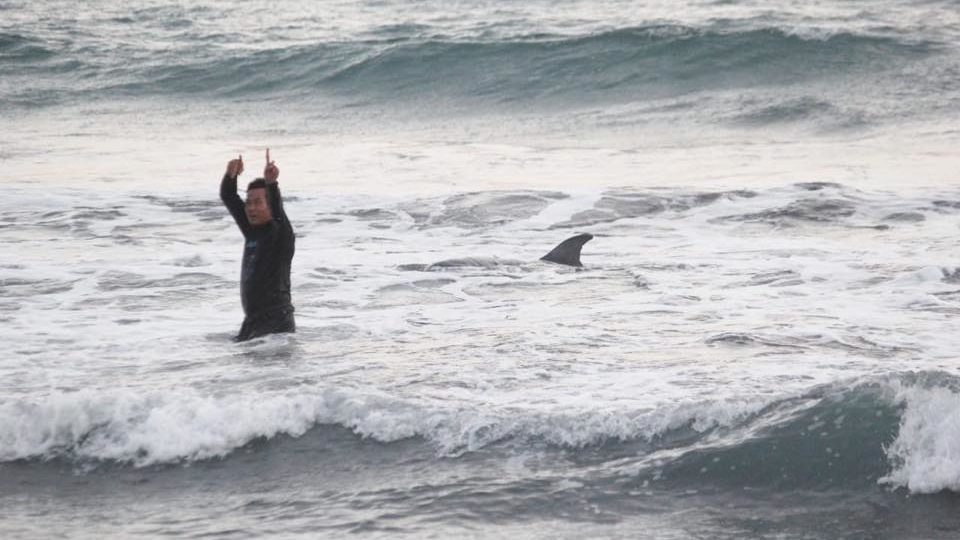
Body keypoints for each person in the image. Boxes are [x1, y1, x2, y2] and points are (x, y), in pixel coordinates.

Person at [219, 149, 296, 341]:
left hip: (276, 325)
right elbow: (229, 196)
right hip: (252, 322)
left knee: (266, 371)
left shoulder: (281, 235)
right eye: (248, 203)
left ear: (270, 205)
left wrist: (271, 184)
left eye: (258, 202)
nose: (251, 208)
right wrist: (231, 175)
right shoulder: (251, 231)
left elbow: (278, 213)